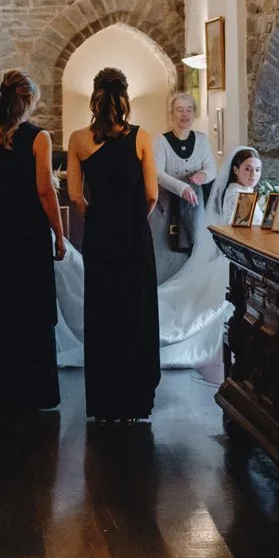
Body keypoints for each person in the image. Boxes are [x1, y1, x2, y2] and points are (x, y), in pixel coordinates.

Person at [0, 70, 65, 410]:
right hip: (30, 229)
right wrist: (59, 234)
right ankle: (35, 391)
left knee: (4, 301)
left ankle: (2, 390)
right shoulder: (39, 138)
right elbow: (43, 190)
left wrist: (2, 201)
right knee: (34, 306)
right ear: (28, 101)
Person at [67, 66, 159, 420]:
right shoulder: (141, 137)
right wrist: (134, 218)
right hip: (135, 234)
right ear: (124, 98)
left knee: (103, 314)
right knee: (136, 312)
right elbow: (150, 194)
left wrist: (100, 218)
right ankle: (135, 401)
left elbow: (75, 198)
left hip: (101, 236)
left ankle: (105, 402)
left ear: (94, 97)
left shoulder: (77, 139)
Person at [151, 90, 216, 282]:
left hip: (196, 206)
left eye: (189, 110)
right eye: (179, 110)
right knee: (169, 257)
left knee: (195, 250)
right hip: (168, 209)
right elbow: (157, 173)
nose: (184, 114)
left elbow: (211, 168)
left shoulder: (202, 139)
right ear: (172, 114)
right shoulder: (161, 141)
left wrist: (203, 175)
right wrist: (183, 188)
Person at [209, 147, 263, 223]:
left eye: (257, 170)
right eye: (247, 169)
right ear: (235, 170)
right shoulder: (236, 195)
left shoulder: (245, 191)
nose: (253, 174)